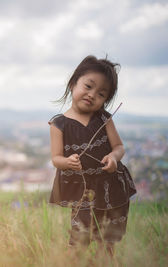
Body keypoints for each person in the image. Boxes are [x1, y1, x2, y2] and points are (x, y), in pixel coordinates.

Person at [48, 55, 136, 257]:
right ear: (73, 84)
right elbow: (56, 158)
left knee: (107, 237)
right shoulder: (58, 124)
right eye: (88, 86)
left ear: (105, 100)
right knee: (79, 238)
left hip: (110, 185)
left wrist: (114, 158)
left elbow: (119, 146)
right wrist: (67, 162)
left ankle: (106, 261)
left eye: (101, 93)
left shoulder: (104, 118)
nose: (92, 95)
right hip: (83, 189)